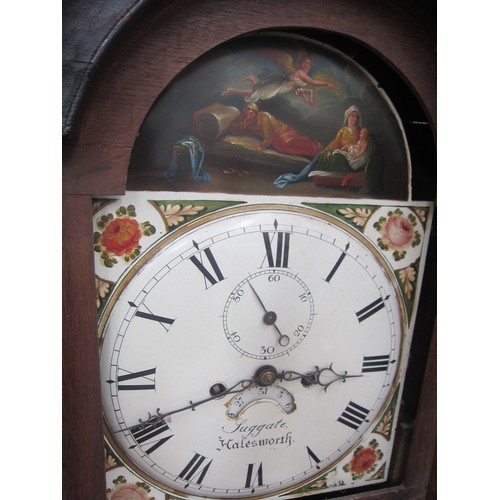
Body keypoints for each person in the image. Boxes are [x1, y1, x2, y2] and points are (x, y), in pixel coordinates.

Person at [274, 105, 370, 187]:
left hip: (349, 159)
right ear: (348, 117)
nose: (354, 119)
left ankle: (309, 174)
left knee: (337, 157)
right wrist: (329, 150)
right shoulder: (343, 131)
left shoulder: (360, 132)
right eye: (352, 116)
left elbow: (361, 147)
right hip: (341, 152)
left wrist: (350, 150)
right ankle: (302, 175)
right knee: (322, 155)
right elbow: (335, 143)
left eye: (356, 117)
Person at [222, 53, 334, 106]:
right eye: (304, 62)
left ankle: (252, 81)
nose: (305, 64)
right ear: (301, 62)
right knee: (259, 94)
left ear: (311, 65)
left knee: (258, 92)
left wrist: (304, 96)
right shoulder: (301, 73)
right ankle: (233, 89)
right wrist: (326, 83)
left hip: (280, 85)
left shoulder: (299, 72)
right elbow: (313, 82)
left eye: (308, 63)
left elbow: (295, 86)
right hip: (279, 86)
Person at [228, 103, 323, 157]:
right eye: (248, 113)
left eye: (252, 113)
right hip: (275, 138)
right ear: (245, 112)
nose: (249, 115)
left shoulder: (264, 117)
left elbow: (268, 136)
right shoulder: (244, 117)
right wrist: (242, 125)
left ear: (256, 113)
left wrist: (261, 146)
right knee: (283, 148)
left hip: (282, 132)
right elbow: (232, 125)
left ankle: (316, 148)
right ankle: (312, 152)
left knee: (288, 143)